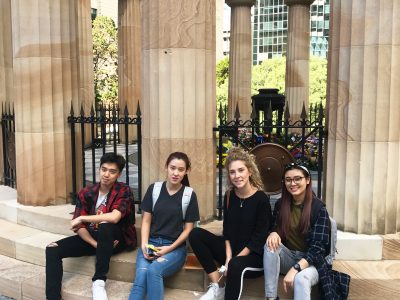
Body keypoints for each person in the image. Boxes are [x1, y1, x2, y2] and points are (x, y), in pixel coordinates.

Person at [45, 152, 137, 300]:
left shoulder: (123, 191)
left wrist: (83, 217)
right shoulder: (86, 193)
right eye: (104, 169)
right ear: (99, 169)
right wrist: (95, 244)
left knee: (105, 225)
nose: (106, 174)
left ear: (118, 174)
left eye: (112, 172)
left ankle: (99, 282)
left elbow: (114, 217)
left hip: (117, 239)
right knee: (52, 248)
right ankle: (53, 298)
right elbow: (79, 227)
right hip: (95, 239)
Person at [189, 147, 272, 300]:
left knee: (235, 265)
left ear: (250, 171)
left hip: (254, 257)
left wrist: (234, 260)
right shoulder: (229, 196)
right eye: (232, 172)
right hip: (231, 253)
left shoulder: (261, 199)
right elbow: (227, 232)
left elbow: (259, 238)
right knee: (195, 234)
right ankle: (218, 286)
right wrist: (228, 257)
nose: (237, 176)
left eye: (241, 170)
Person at [263, 162, 350, 300]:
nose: (293, 183)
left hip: (312, 263)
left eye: (298, 178)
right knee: (270, 246)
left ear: (307, 180)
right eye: (288, 180)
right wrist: (273, 232)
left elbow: (317, 248)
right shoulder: (281, 204)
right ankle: (271, 297)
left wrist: (296, 269)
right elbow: (275, 227)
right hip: (289, 257)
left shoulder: (318, 208)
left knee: (301, 279)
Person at [129, 152, 200, 300]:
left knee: (154, 270)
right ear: (166, 167)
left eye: (180, 169)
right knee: (140, 278)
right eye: (172, 168)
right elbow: (146, 221)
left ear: (187, 171)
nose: (175, 173)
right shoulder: (154, 189)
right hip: (150, 244)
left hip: (174, 249)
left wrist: (169, 248)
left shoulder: (189, 195)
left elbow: (188, 229)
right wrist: (143, 245)